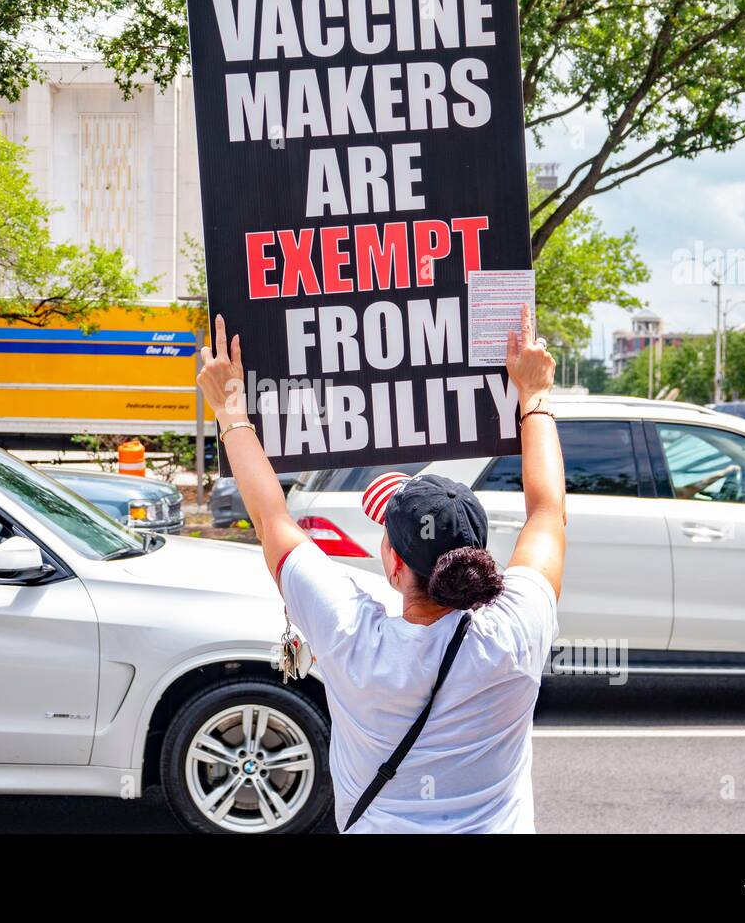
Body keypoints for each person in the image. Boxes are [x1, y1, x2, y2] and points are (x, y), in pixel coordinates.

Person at [195, 303, 566, 833]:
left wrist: (231, 406)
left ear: (393, 563)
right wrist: (534, 394)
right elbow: (548, 511)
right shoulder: (515, 631)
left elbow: (270, 517)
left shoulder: (352, 635)